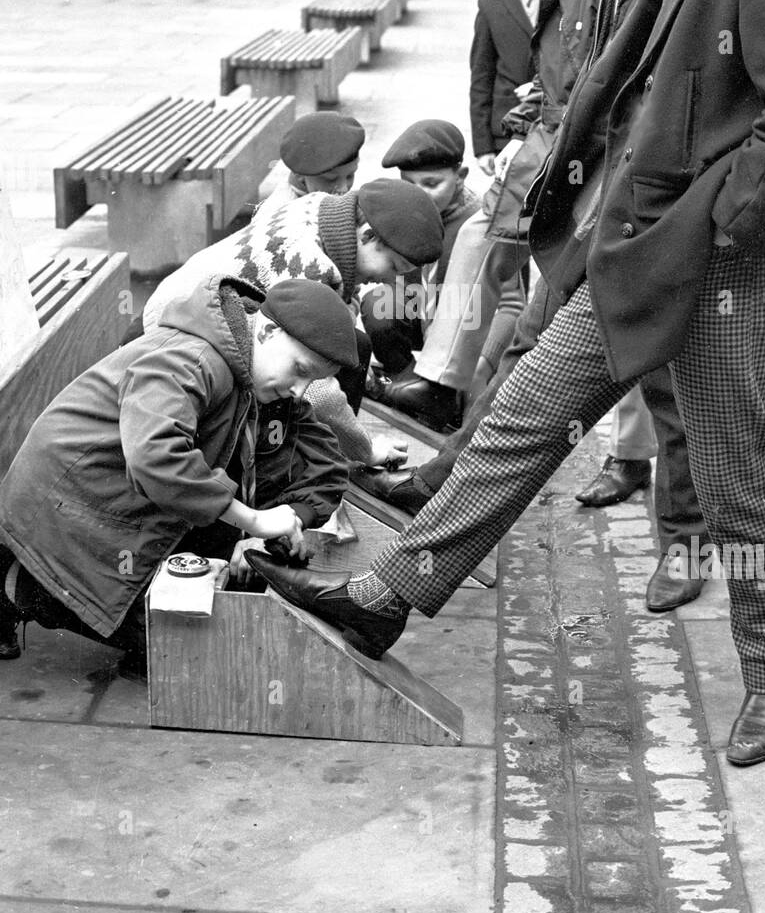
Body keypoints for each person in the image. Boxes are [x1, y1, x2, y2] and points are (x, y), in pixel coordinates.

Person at [246, 0, 765, 770]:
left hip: (720, 266)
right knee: (524, 414)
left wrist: (718, 224)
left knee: (730, 468)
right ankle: (388, 596)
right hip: (640, 244)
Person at [362, 0, 708, 613]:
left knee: (679, 394)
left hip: (642, 215)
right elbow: (594, 86)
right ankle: (422, 536)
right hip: (593, 208)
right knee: (530, 368)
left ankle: (686, 549)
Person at [0, 278, 356, 668]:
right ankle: (22, 585)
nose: (300, 391)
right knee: (187, 648)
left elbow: (328, 462)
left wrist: (291, 519)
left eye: (312, 381)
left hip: (119, 507)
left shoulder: (253, 369)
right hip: (64, 507)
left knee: (209, 635)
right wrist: (253, 521)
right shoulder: (192, 358)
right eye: (300, 370)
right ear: (268, 331)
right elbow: (155, 456)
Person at [379, 0, 611, 431]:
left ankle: (452, 389)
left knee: (498, 260)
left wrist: (552, 106)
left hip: (573, 156)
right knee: (496, 263)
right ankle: (453, 389)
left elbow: (600, 79)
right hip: (550, 142)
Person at [142, 179, 444, 473]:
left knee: (352, 346)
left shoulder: (321, 207)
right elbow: (316, 387)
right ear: (366, 236)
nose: (388, 279)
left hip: (188, 302)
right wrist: (364, 448)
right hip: (182, 332)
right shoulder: (311, 266)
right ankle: (320, 464)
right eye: (393, 266)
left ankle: (325, 455)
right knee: (312, 372)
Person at [361, 121, 480, 410]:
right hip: (418, 307)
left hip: (465, 325)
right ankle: (405, 380)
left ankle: (446, 394)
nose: (420, 195)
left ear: (460, 176)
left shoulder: (479, 221)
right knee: (378, 304)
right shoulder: (401, 210)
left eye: (431, 184)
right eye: (410, 184)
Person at [468, 0, 541, 176]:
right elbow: (481, 77)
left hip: (549, 124)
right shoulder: (490, 3)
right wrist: (483, 145)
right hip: (506, 128)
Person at [257, 111, 365, 206]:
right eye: (330, 179)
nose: (344, 189)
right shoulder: (283, 212)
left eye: (350, 176)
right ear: (298, 174)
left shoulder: (318, 195)